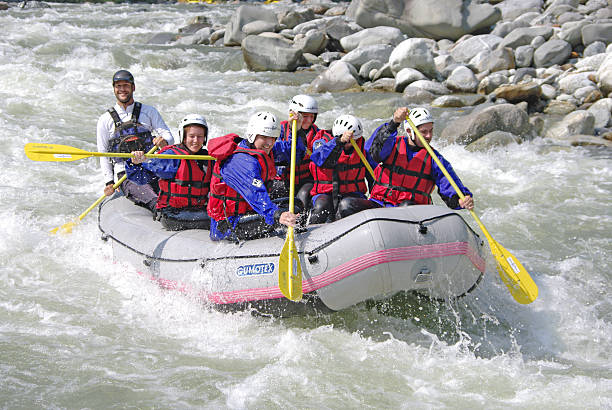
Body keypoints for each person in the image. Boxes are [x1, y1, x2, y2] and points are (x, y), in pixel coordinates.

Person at [207, 111, 303, 241]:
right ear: (253, 135)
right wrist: (277, 214)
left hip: (247, 213)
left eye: (273, 138)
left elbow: (294, 151)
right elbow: (256, 194)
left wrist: (295, 129)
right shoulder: (240, 161)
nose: (269, 143)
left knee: (295, 205)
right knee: (285, 213)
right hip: (227, 225)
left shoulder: (264, 149)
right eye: (264, 137)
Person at [365, 106, 474, 210]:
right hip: (379, 204)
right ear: (409, 131)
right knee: (348, 205)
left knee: (406, 206)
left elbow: (448, 183)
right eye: (423, 132)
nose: (429, 136)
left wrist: (461, 199)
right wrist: (394, 123)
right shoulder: (392, 145)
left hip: (412, 212)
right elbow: (375, 151)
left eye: (431, 131)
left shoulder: (434, 159)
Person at [96, 69, 174, 211]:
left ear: (133, 87)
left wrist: (163, 142)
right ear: (114, 89)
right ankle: (160, 210)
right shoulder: (105, 119)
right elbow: (103, 153)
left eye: (126, 85)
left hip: (150, 167)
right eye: (118, 86)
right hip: (125, 173)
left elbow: (169, 137)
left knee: (170, 193)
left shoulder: (149, 112)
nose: (122, 90)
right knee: (150, 197)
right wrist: (109, 182)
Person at [125, 114, 213, 231]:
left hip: (196, 210)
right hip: (172, 214)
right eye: (192, 136)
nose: (196, 141)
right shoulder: (171, 157)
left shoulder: (208, 158)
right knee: (217, 219)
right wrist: (135, 163)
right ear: (184, 137)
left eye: (200, 136)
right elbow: (142, 178)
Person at [308, 114, 377, 224]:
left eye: (354, 140)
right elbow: (320, 159)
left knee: (346, 204)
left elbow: (373, 176)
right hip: (325, 193)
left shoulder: (362, 149)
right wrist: (339, 143)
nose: (350, 144)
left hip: (352, 194)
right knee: (322, 205)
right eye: (348, 141)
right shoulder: (321, 142)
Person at [271, 94, 320, 210]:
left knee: (301, 197)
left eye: (312, 116)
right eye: (305, 116)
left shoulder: (318, 134)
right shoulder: (279, 129)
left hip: (305, 180)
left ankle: (300, 222)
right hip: (282, 179)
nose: (309, 120)